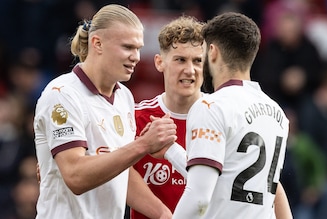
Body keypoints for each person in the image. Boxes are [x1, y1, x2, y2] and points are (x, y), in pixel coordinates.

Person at [33, 4, 177, 219]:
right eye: (128, 47)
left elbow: (121, 173)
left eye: (138, 48)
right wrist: (143, 144)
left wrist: (164, 215)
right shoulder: (62, 94)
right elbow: (76, 176)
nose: (136, 57)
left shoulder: (124, 96)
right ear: (97, 43)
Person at [154, 12, 292, 218]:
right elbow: (229, 178)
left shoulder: (211, 106)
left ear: (212, 51)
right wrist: (171, 151)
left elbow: (199, 197)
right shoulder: (277, 113)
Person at [130, 15, 205, 219]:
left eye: (197, 61)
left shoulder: (221, 116)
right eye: (180, 59)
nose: (190, 70)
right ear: (159, 62)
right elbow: (114, 172)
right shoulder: (137, 118)